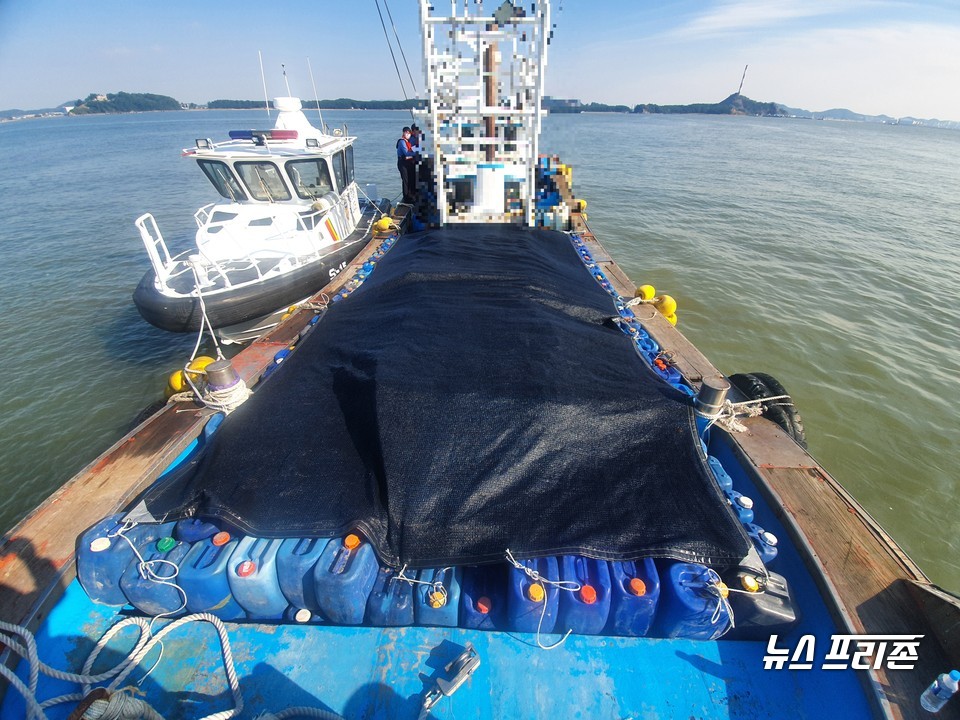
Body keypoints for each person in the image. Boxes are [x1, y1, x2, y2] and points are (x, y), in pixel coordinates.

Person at [396, 127, 416, 204]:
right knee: (405, 180)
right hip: (402, 162)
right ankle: (406, 197)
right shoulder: (402, 142)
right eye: (406, 132)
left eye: (409, 133)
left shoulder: (408, 141)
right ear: (404, 133)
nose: (407, 134)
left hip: (408, 162)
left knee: (410, 179)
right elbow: (406, 152)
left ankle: (410, 195)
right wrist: (418, 151)